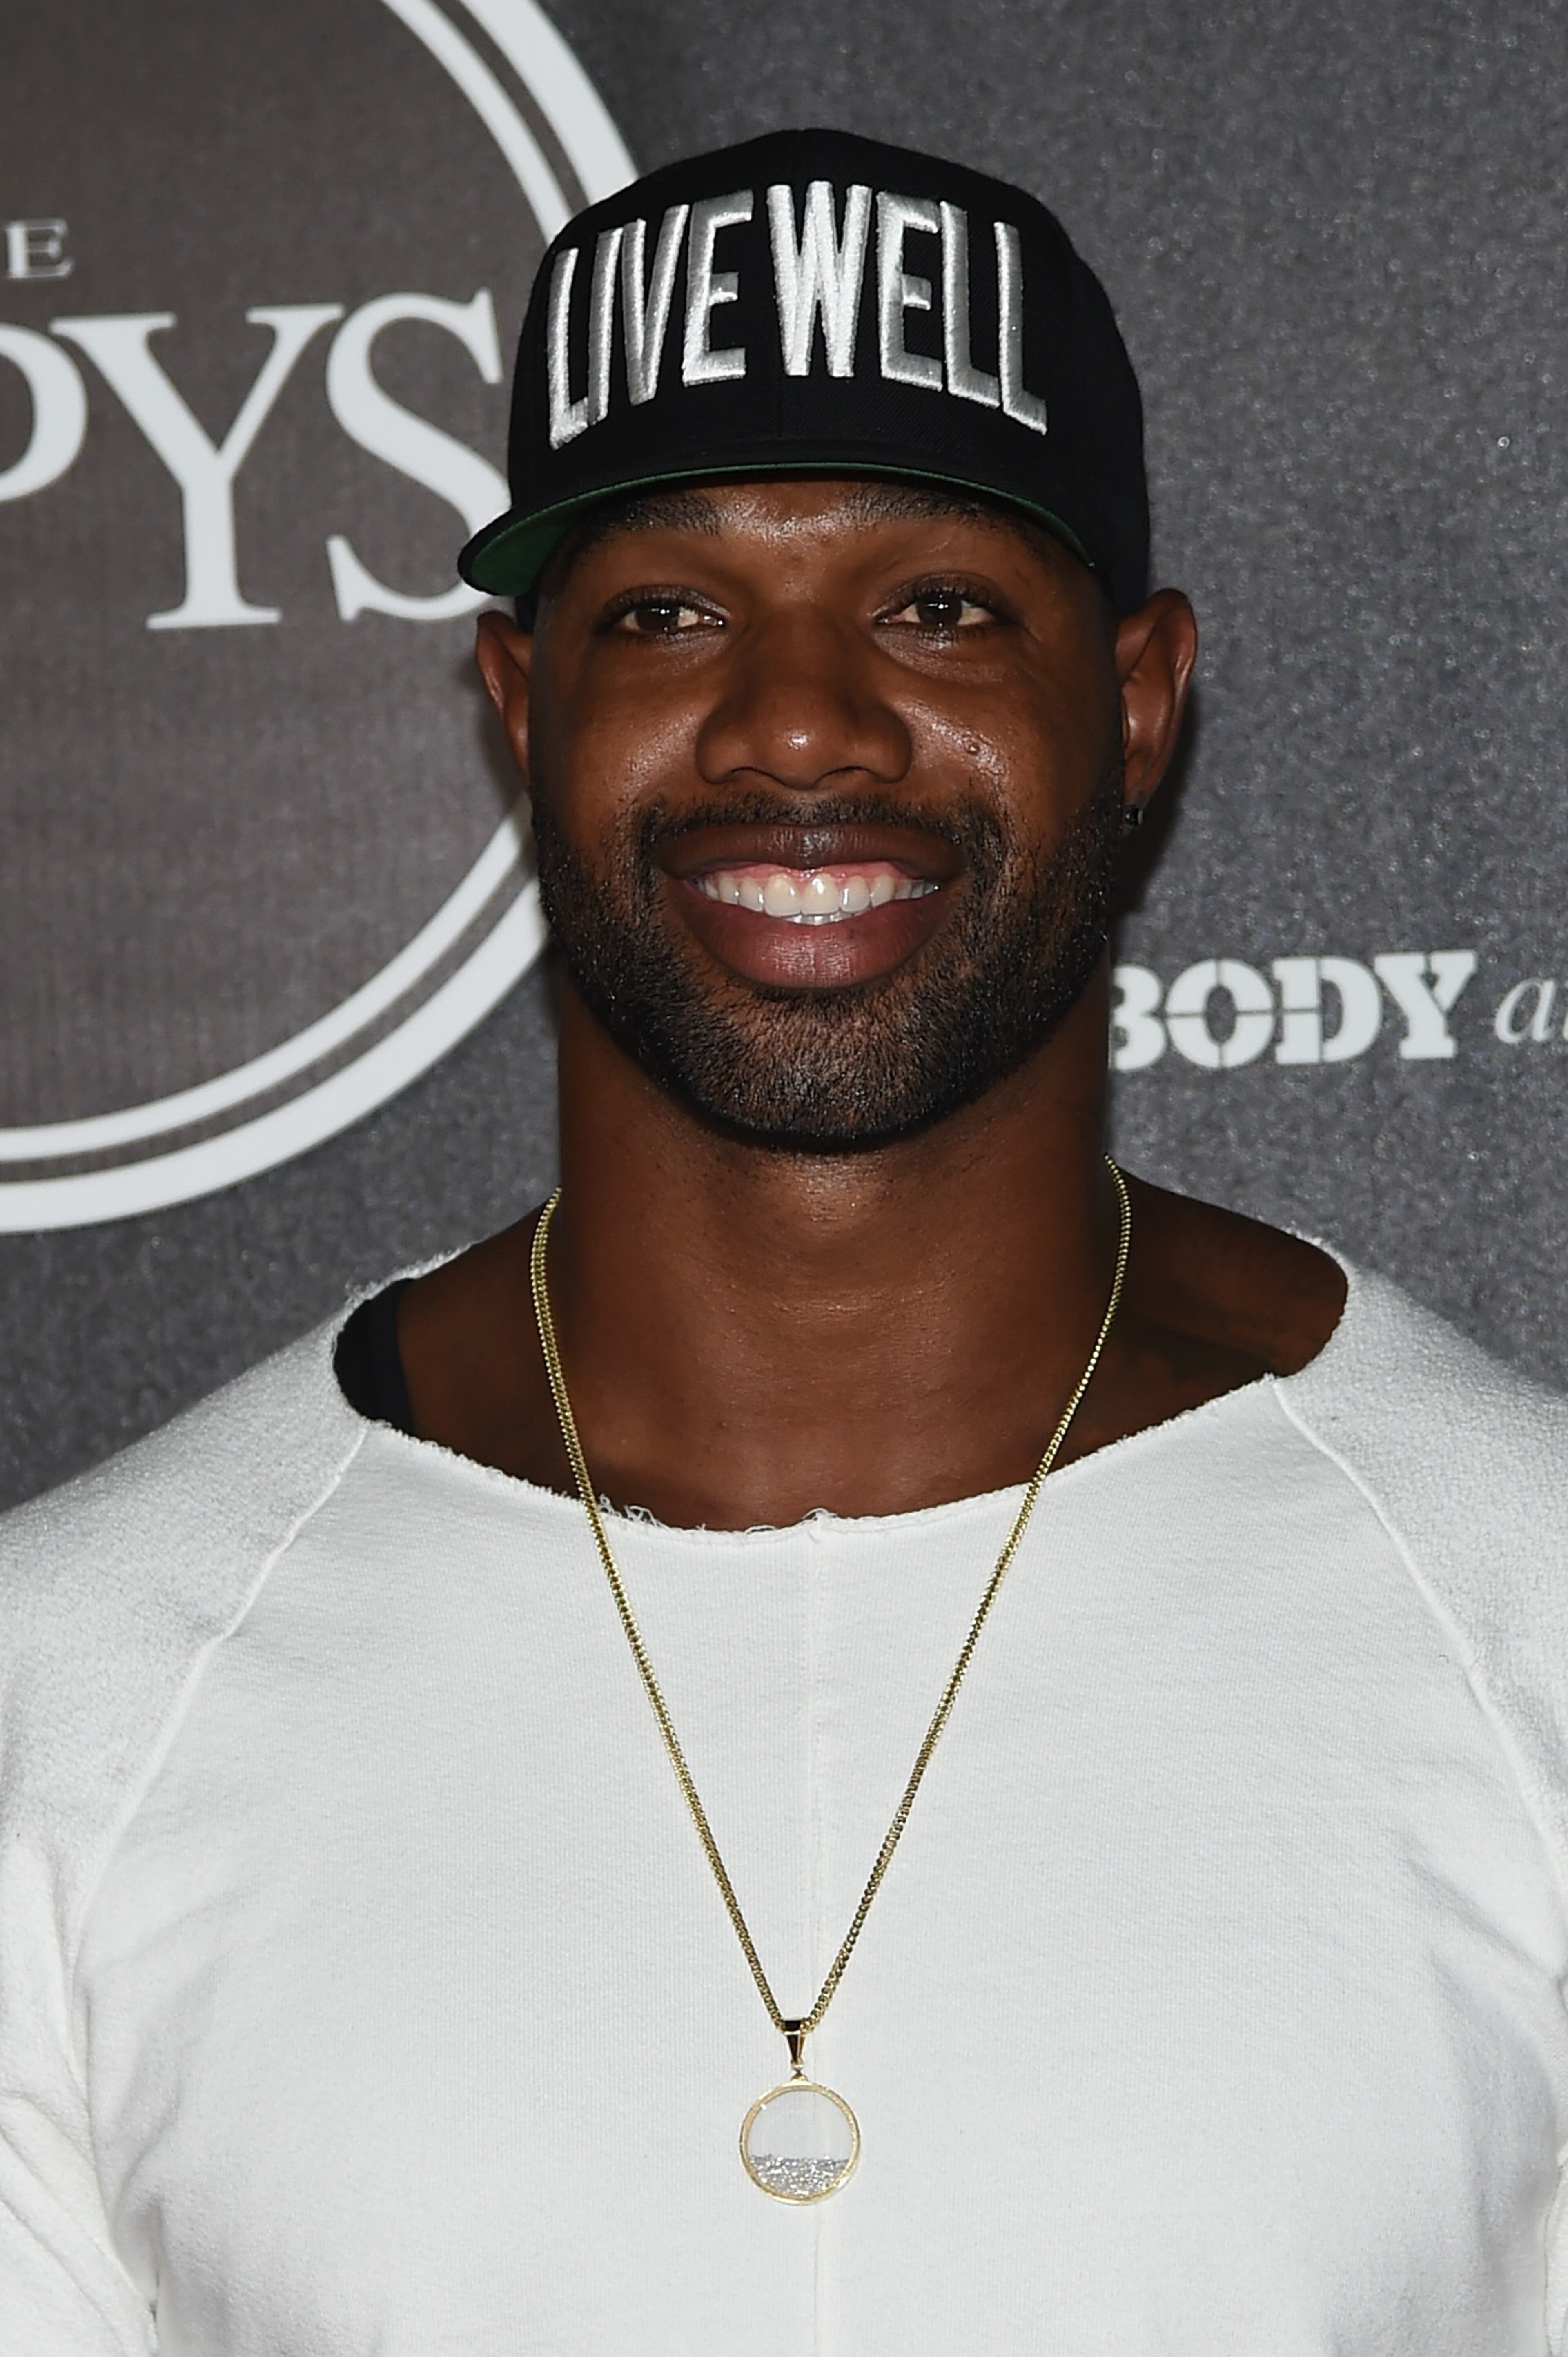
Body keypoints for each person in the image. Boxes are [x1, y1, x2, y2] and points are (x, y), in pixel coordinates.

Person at [3, 126, 1567, 2356]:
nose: (803, 720)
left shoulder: (1525, 1613)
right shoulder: (70, 1694)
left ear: (1134, 702)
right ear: (525, 709)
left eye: (935, 603)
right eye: (666, 609)